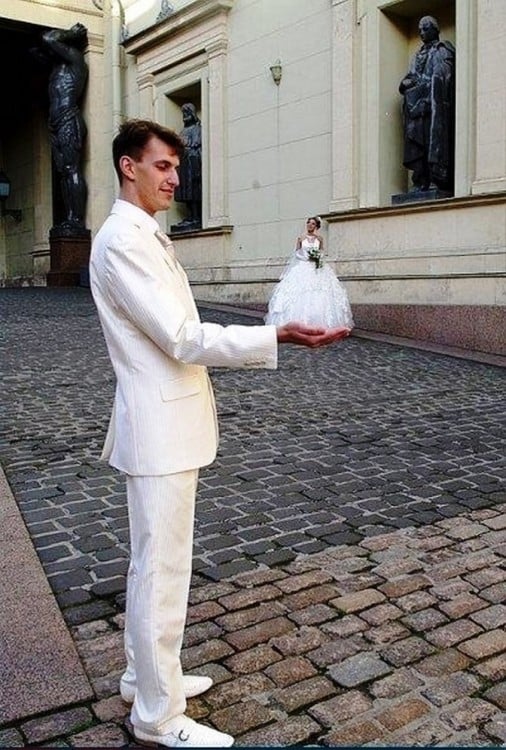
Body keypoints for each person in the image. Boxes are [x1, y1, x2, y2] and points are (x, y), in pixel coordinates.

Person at [89, 119, 350, 748]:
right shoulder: (125, 239)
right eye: (162, 166)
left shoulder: (144, 234)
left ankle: (146, 677)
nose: (175, 178)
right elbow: (181, 336)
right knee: (162, 569)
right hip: (158, 428)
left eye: (176, 166)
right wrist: (276, 335)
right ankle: (157, 716)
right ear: (129, 166)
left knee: (151, 562)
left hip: (162, 423)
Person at [41, 23, 89, 235]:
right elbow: (38, 48)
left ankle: (76, 219)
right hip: (56, 122)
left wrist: (69, 33)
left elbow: (49, 38)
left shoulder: (75, 60)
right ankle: (69, 217)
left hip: (69, 118)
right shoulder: (57, 68)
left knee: (71, 169)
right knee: (63, 172)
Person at [399, 15, 455, 193]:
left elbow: (444, 76)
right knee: (416, 140)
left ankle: (436, 180)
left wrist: (428, 92)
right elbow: (411, 77)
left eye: (425, 29)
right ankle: (420, 179)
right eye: (420, 30)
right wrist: (406, 84)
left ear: (435, 30)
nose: (422, 33)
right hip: (417, 108)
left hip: (435, 107)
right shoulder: (418, 55)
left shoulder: (443, 49)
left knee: (434, 142)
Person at [265, 216, 354, 329]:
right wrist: (306, 257)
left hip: (316, 267)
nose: (309, 225)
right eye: (308, 223)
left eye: (312, 224)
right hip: (303, 265)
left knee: (320, 292)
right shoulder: (301, 238)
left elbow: (321, 252)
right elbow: (296, 253)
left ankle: (320, 323)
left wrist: (317, 258)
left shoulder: (320, 239)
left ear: (316, 226)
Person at [174, 102, 202, 229]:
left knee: (193, 191)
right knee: (184, 191)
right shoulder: (183, 131)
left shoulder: (197, 129)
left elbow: (196, 146)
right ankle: (190, 216)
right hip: (183, 164)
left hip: (192, 163)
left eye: (186, 113)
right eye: (183, 113)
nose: (184, 116)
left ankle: (196, 217)